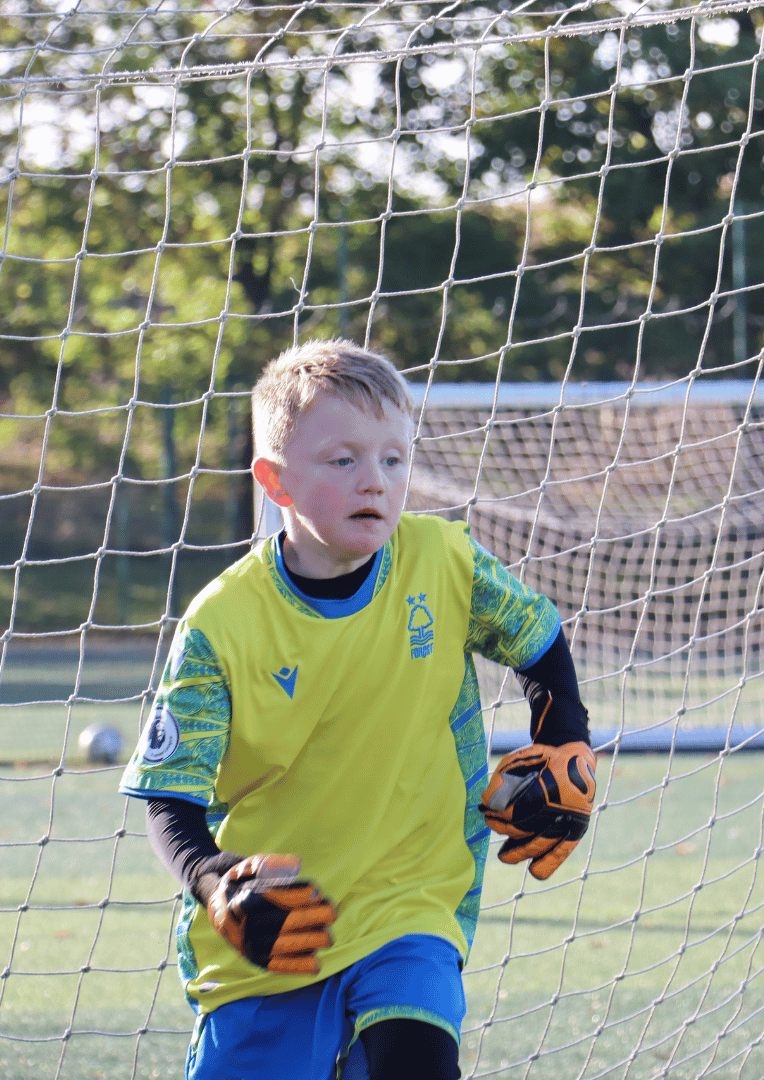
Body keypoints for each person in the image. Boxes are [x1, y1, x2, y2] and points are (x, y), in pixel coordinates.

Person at [118, 339, 596, 1080]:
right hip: (275, 931)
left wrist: (565, 737)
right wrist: (215, 882)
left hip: (412, 903)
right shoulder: (222, 622)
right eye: (343, 461)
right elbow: (168, 794)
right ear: (275, 481)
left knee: (416, 1060)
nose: (374, 480)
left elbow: (539, 639)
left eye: (394, 459)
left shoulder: (446, 561)